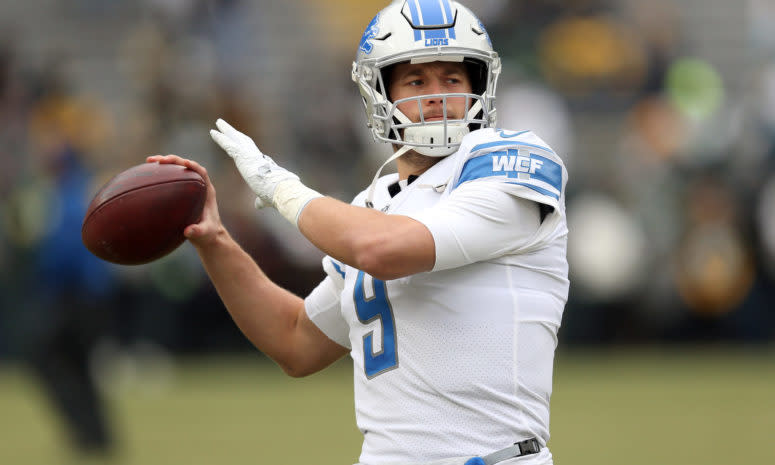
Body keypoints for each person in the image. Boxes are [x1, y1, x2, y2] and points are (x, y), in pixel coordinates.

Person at [148, 1, 569, 464]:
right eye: (415, 80)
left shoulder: (511, 161)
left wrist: (280, 186)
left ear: (479, 86)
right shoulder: (373, 204)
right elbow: (294, 341)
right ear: (378, 92)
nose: (435, 95)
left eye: (452, 78)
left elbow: (383, 248)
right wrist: (214, 239)